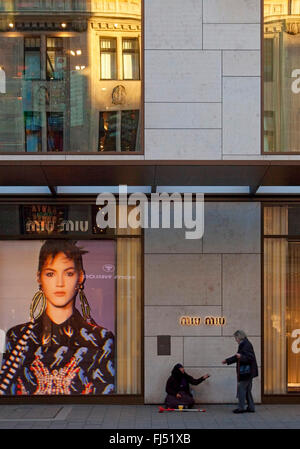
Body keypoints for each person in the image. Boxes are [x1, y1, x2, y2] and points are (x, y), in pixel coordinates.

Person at [0, 240, 115, 396]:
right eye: (50, 273)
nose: (59, 283)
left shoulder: (101, 338)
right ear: (39, 278)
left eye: (68, 273)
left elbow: (104, 395)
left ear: (80, 277)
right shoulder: (18, 337)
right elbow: (8, 394)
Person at [222, 330, 258, 413]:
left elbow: (249, 358)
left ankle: (241, 408)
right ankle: (251, 407)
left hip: (246, 372)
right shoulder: (245, 344)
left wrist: (241, 356)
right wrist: (227, 361)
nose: (235, 340)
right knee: (247, 390)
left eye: (236, 338)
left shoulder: (245, 345)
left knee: (241, 390)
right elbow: (237, 357)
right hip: (248, 372)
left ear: (239, 337)